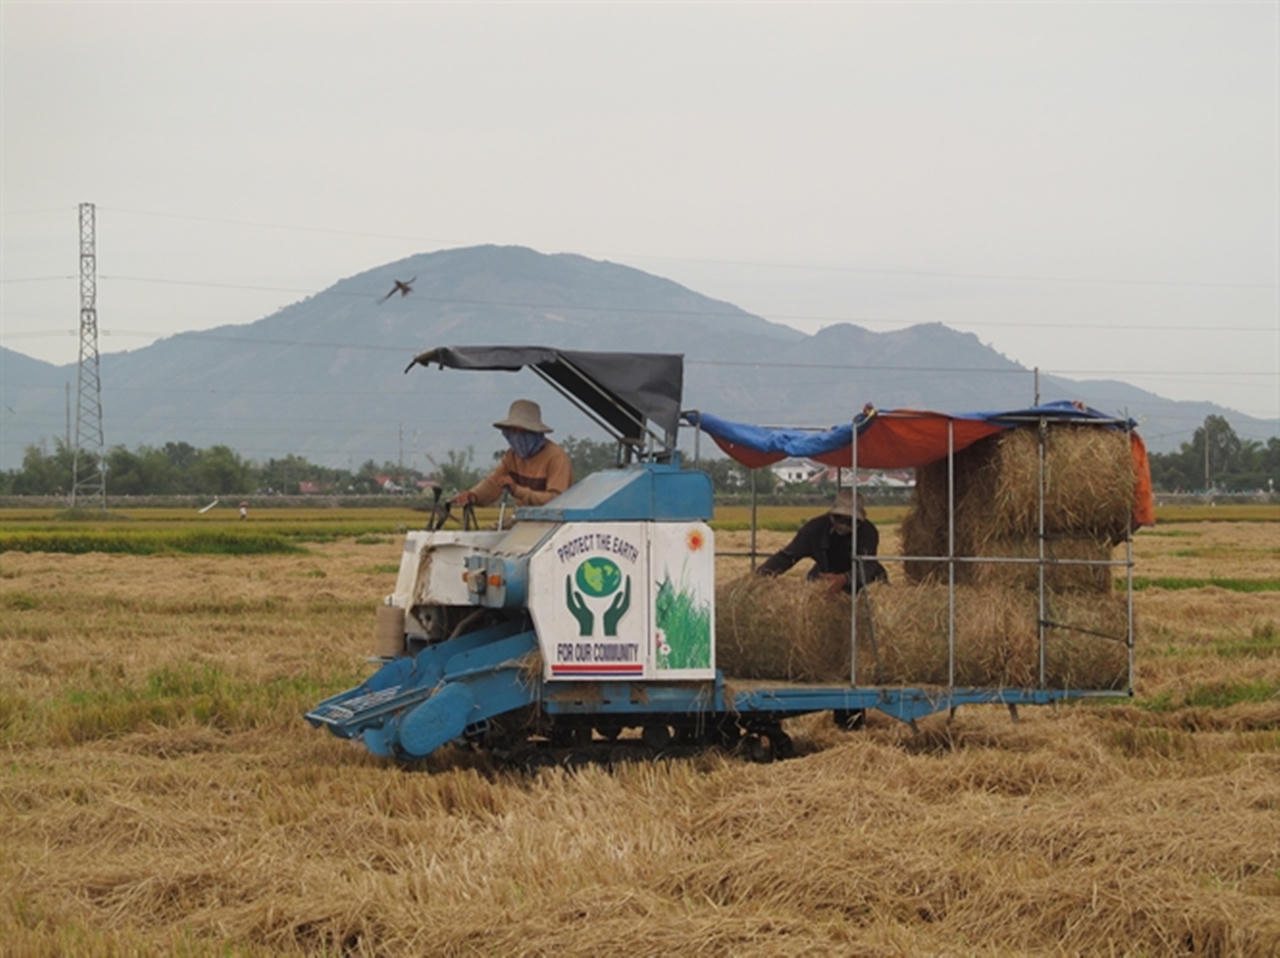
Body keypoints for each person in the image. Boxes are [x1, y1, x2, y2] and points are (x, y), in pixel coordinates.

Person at [756, 488, 888, 594]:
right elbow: (787, 556)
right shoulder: (814, 529)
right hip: (826, 574)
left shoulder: (868, 532)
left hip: (863, 581)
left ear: (860, 521)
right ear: (831, 516)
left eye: (851, 521)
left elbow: (868, 566)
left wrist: (844, 579)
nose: (844, 525)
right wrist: (758, 577)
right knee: (813, 584)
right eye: (839, 519)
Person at [451, 399, 573, 507]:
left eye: (523, 432)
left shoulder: (556, 457)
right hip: (522, 519)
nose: (517, 437)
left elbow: (556, 499)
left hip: (552, 523)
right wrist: (473, 495)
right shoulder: (512, 456)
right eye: (513, 432)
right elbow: (494, 482)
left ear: (535, 433)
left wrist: (517, 490)